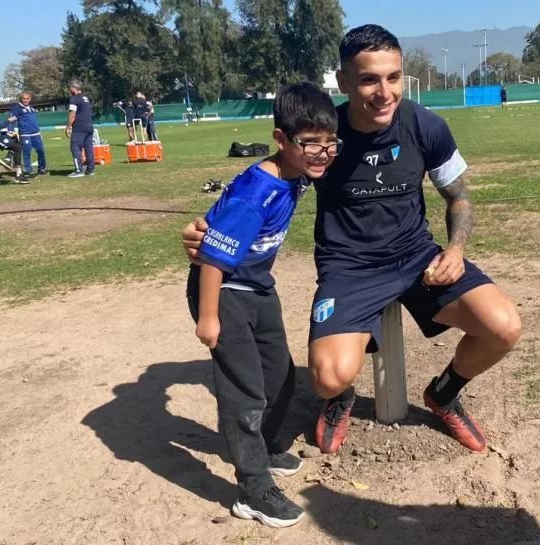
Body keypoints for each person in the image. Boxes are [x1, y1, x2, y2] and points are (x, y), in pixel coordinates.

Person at [182, 24, 522, 455]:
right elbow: (263, 181)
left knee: (504, 327)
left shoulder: (426, 126)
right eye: (369, 79)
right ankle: (339, 398)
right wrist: (208, 230)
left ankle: (443, 393)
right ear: (343, 82)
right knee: (327, 376)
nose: (385, 92)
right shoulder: (326, 134)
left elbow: (458, 197)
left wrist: (456, 248)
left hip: (418, 258)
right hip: (349, 269)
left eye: (393, 77)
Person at [188, 82, 340, 528]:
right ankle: (253, 489)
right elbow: (213, 257)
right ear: (280, 139)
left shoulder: (298, 175)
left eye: (329, 143)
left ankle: (268, 448)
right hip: (223, 293)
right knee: (245, 392)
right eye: (310, 143)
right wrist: (208, 316)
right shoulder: (257, 192)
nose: (321, 153)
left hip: (258, 287)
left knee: (280, 376)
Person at [9, 92, 47, 177]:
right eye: (24, 99)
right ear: (21, 99)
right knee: (27, 153)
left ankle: (42, 169)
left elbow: (34, 120)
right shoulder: (17, 108)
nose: (26, 100)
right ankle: (29, 171)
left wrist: (39, 131)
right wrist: (10, 130)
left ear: (30, 99)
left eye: (27, 99)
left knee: (41, 151)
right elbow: (11, 119)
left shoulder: (31, 107)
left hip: (36, 134)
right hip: (25, 134)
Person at [66, 81, 95, 178]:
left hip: (79, 127)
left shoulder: (74, 99)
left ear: (74, 88)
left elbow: (72, 114)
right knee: (88, 148)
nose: (70, 90)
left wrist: (68, 126)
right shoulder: (85, 98)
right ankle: (90, 170)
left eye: (70, 88)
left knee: (75, 147)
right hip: (89, 125)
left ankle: (78, 170)